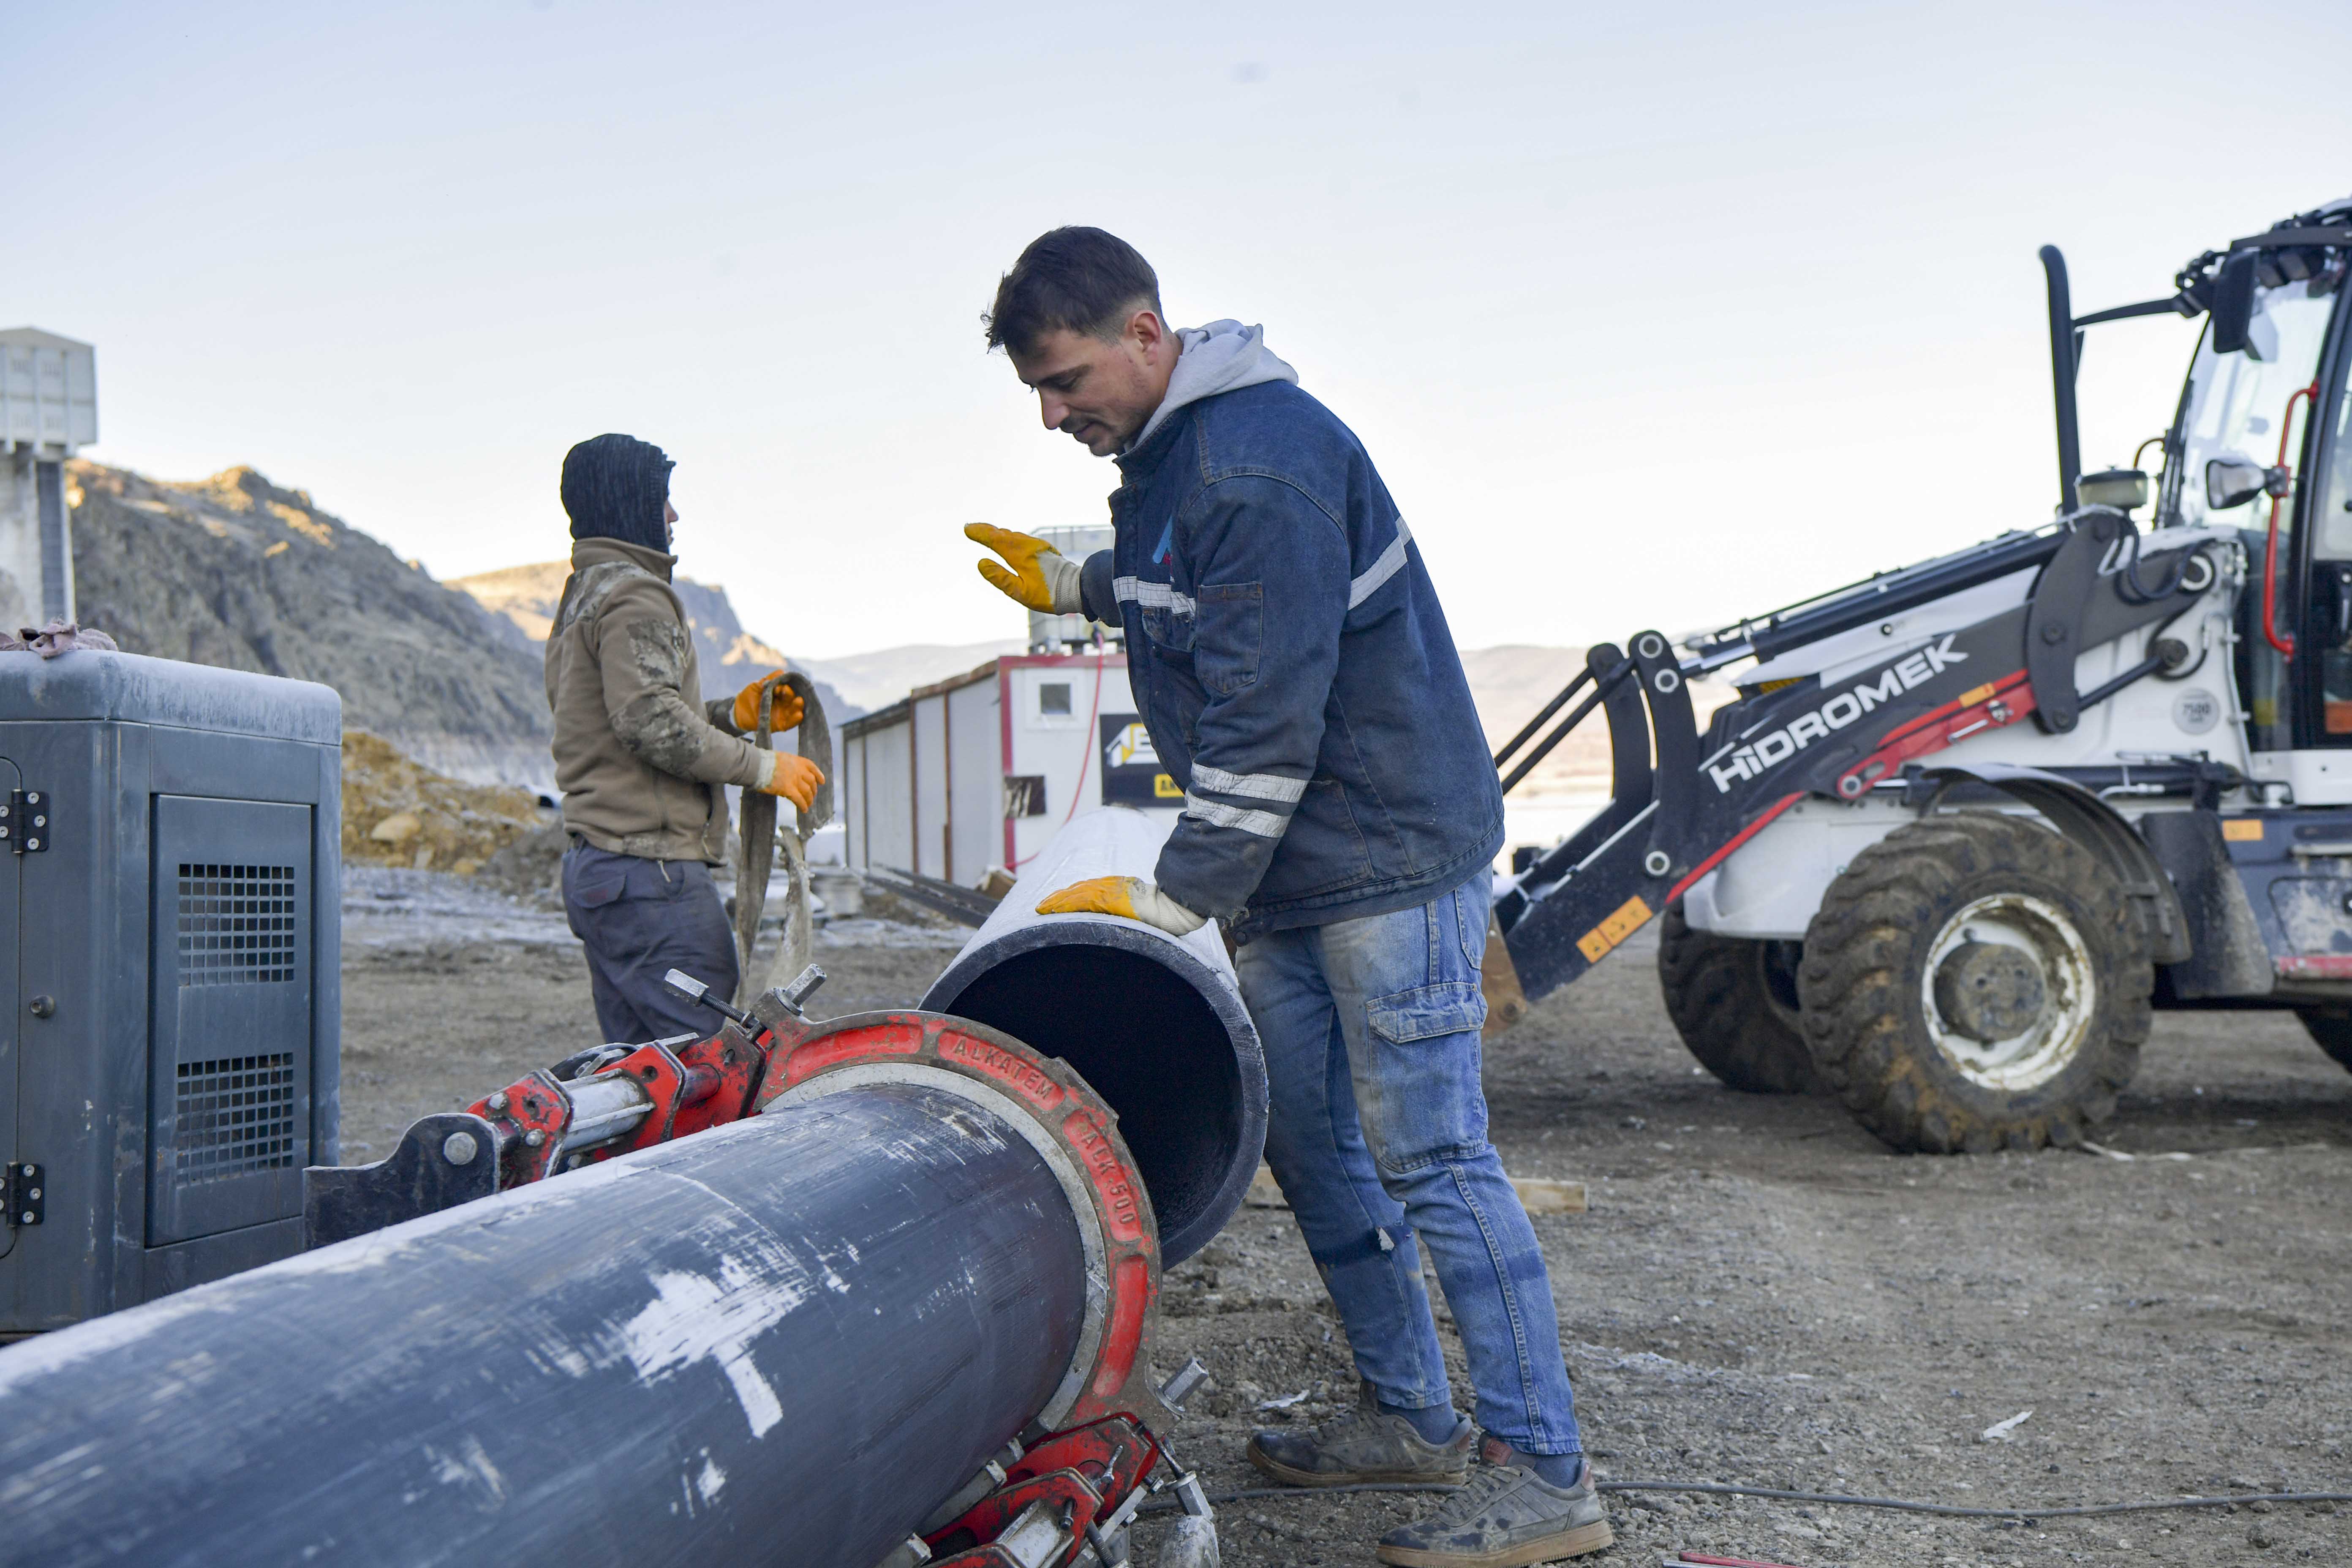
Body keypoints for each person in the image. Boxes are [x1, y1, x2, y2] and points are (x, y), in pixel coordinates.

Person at [968, 230, 1610, 1566]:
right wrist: (1080, 583)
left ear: (1148, 333)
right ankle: (1410, 1414)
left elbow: (1265, 723)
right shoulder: (1168, 463)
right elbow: (1186, 588)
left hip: (1382, 861)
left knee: (1434, 1156)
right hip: (1302, 876)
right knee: (1314, 1147)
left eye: (1069, 377)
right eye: (1038, 389)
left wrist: (1178, 900)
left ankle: (1544, 1471)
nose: (1053, 412)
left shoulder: (1257, 461)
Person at [546, 433, 822, 1043]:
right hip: (652, 877)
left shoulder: (583, 595)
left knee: (642, 1071)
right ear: (628, 504)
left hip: (603, 871)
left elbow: (625, 718)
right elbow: (652, 725)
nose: (673, 517)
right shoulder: (636, 593)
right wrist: (763, 767)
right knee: (707, 1060)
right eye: (663, 500)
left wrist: (733, 715)